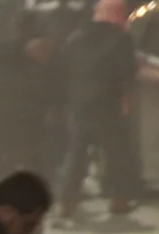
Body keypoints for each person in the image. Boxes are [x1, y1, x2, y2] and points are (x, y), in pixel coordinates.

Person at [56, 0, 139, 218]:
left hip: (79, 103)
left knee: (76, 153)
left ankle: (67, 202)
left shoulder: (76, 38)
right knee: (114, 153)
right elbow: (127, 73)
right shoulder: (121, 38)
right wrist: (126, 101)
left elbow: (63, 69)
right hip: (107, 103)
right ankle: (118, 200)